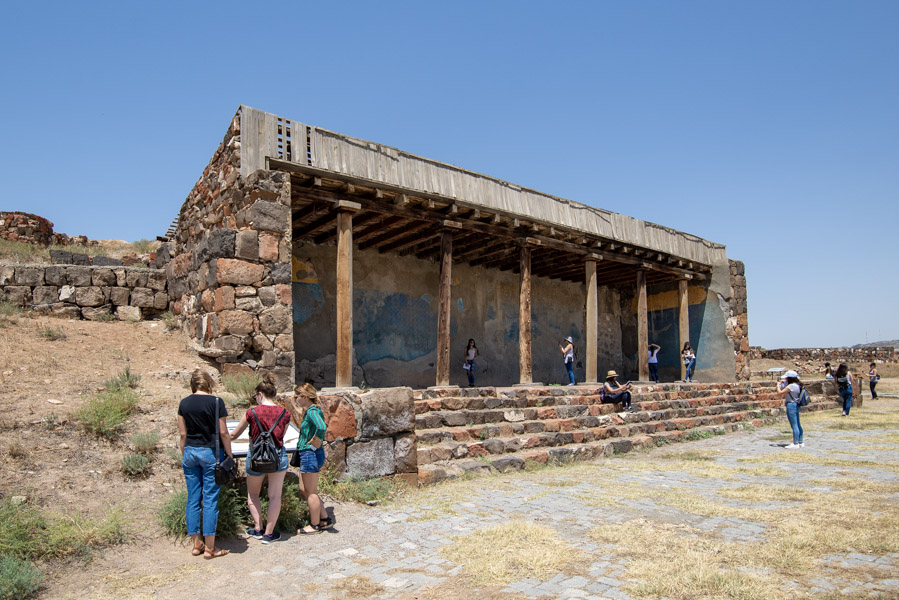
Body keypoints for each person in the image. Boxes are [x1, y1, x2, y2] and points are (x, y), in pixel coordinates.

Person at [177, 369, 233, 559]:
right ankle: (210, 548)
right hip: (210, 453)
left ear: (193, 384)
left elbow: (183, 434)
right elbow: (224, 432)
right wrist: (230, 454)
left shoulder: (184, 403)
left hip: (190, 452)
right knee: (210, 500)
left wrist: (184, 453)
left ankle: (196, 544)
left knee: (193, 498)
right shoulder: (216, 402)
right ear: (208, 383)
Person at [229, 373, 290, 544]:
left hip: (256, 457)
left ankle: (257, 528)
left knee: (253, 494)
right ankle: (269, 534)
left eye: (256, 396)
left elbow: (234, 434)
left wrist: (221, 437)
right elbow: (281, 437)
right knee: (275, 496)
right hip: (277, 456)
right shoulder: (285, 413)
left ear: (260, 394)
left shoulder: (251, 412)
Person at [294, 383, 332, 534]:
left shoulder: (312, 411)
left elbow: (321, 426)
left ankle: (314, 525)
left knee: (311, 492)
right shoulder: (310, 411)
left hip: (310, 454)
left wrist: (317, 439)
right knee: (304, 489)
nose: (295, 399)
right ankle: (324, 518)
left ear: (304, 397)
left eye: (296, 396)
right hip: (307, 453)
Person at [774, 370, 804, 448]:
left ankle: (795, 443)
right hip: (796, 404)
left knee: (794, 425)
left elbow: (780, 392)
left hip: (791, 404)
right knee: (797, 424)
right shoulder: (797, 385)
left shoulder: (791, 386)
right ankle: (800, 441)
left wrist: (778, 385)